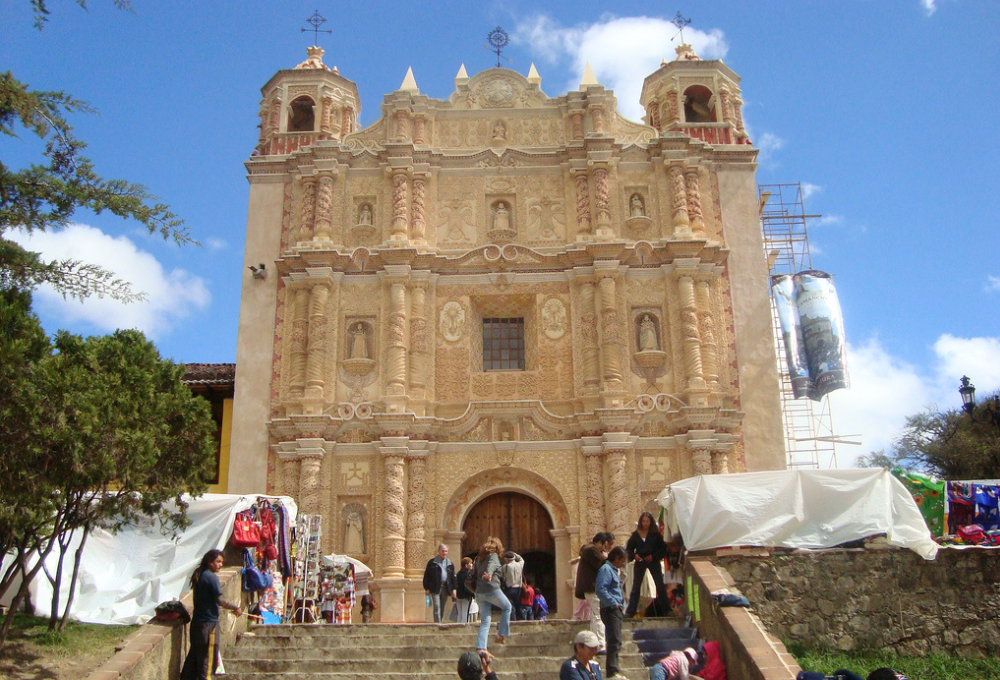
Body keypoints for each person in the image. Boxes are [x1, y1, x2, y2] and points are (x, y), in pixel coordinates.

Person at [179, 549, 242, 680]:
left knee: (194, 657)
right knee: (207, 660)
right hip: (208, 625)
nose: (220, 565)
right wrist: (235, 607)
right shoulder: (211, 577)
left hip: (197, 624)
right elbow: (219, 600)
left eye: (222, 562)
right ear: (209, 561)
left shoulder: (201, 575)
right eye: (218, 562)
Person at [575, 531, 615, 651]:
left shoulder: (588, 550)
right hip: (592, 588)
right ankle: (601, 644)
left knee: (595, 615)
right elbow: (603, 563)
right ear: (599, 542)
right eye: (603, 546)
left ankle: (595, 643)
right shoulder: (591, 550)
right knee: (599, 615)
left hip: (590, 588)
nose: (603, 549)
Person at [473, 536, 513, 653]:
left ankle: (481, 648)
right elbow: (491, 566)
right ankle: (501, 634)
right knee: (507, 607)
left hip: (479, 592)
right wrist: (489, 575)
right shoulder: (493, 556)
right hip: (491, 589)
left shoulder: (478, 559)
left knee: (485, 621)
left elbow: (474, 573)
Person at [625, 513, 668, 618]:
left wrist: (654, 556)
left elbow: (662, 548)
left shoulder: (656, 535)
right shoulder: (635, 535)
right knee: (636, 586)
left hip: (652, 560)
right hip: (640, 561)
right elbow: (629, 549)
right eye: (643, 521)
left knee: (660, 585)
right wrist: (634, 556)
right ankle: (631, 611)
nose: (645, 523)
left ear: (651, 522)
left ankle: (666, 610)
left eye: (647, 521)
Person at [596, 546, 628, 680]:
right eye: (623, 560)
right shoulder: (606, 570)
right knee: (614, 639)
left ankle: (614, 669)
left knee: (617, 640)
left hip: (616, 609)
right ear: (617, 558)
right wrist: (613, 603)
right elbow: (600, 589)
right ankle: (611, 671)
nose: (624, 563)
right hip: (610, 610)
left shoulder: (614, 571)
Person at [423, 543, 457, 624]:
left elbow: (453, 577)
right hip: (435, 587)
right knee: (437, 606)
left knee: (442, 606)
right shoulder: (432, 563)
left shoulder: (450, 564)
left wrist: (454, 589)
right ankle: (437, 624)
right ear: (438, 551)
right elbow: (427, 576)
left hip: (445, 587)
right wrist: (427, 588)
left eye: (446, 551)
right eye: (442, 551)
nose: (444, 553)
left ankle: (440, 622)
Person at [500, 551, 524, 620]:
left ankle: (513, 620)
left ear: (507, 559)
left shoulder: (506, 566)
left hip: (509, 588)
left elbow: (501, 575)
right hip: (519, 588)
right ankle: (520, 619)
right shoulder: (520, 564)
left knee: (511, 605)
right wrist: (515, 555)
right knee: (518, 605)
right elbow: (522, 559)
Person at [453, 557, 475, 624]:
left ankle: (458, 627)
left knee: (459, 614)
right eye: (470, 563)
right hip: (466, 596)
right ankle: (464, 628)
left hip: (458, 595)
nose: (472, 565)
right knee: (465, 613)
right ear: (466, 565)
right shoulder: (469, 573)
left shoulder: (458, 573)